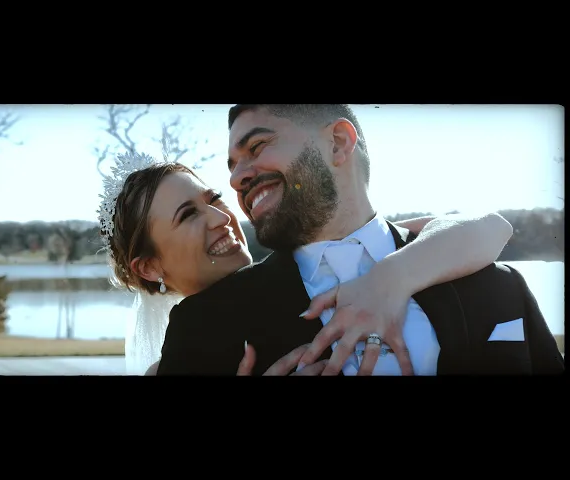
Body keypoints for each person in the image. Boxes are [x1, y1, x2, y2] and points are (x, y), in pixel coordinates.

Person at [152, 104, 563, 375]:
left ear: (337, 143)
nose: (236, 178)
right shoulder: (204, 324)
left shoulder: (498, 283)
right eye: (233, 165)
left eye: (257, 147)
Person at [100, 149, 517, 376]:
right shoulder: (175, 362)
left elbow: (486, 228)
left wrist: (390, 276)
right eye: (188, 215)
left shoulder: (323, 258)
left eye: (214, 200)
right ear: (148, 267)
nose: (220, 218)